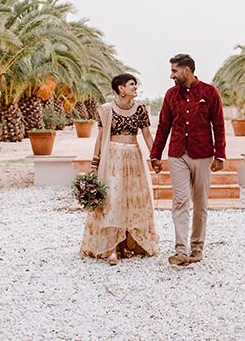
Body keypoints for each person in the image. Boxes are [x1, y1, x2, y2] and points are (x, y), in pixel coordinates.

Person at [150, 53, 226, 266]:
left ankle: (197, 248)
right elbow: (163, 125)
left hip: (203, 154)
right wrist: (155, 154)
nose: (171, 75)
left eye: (174, 71)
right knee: (180, 200)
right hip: (177, 154)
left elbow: (218, 125)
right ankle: (181, 250)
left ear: (187, 70)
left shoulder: (210, 92)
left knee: (200, 202)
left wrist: (220, 155)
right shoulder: (170, 95)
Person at [80, 73, 159, 264]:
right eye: (131, 84)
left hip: (134, 158)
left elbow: (147, 135)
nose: (135, 87)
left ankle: (126, 244)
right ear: (121, 89)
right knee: (113, 200)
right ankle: (111, 248)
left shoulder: (140, 109)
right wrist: (94, 163)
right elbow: (100, 138)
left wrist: (155, 155)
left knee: (131, 200)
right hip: (113, 159)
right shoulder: (107, 110)